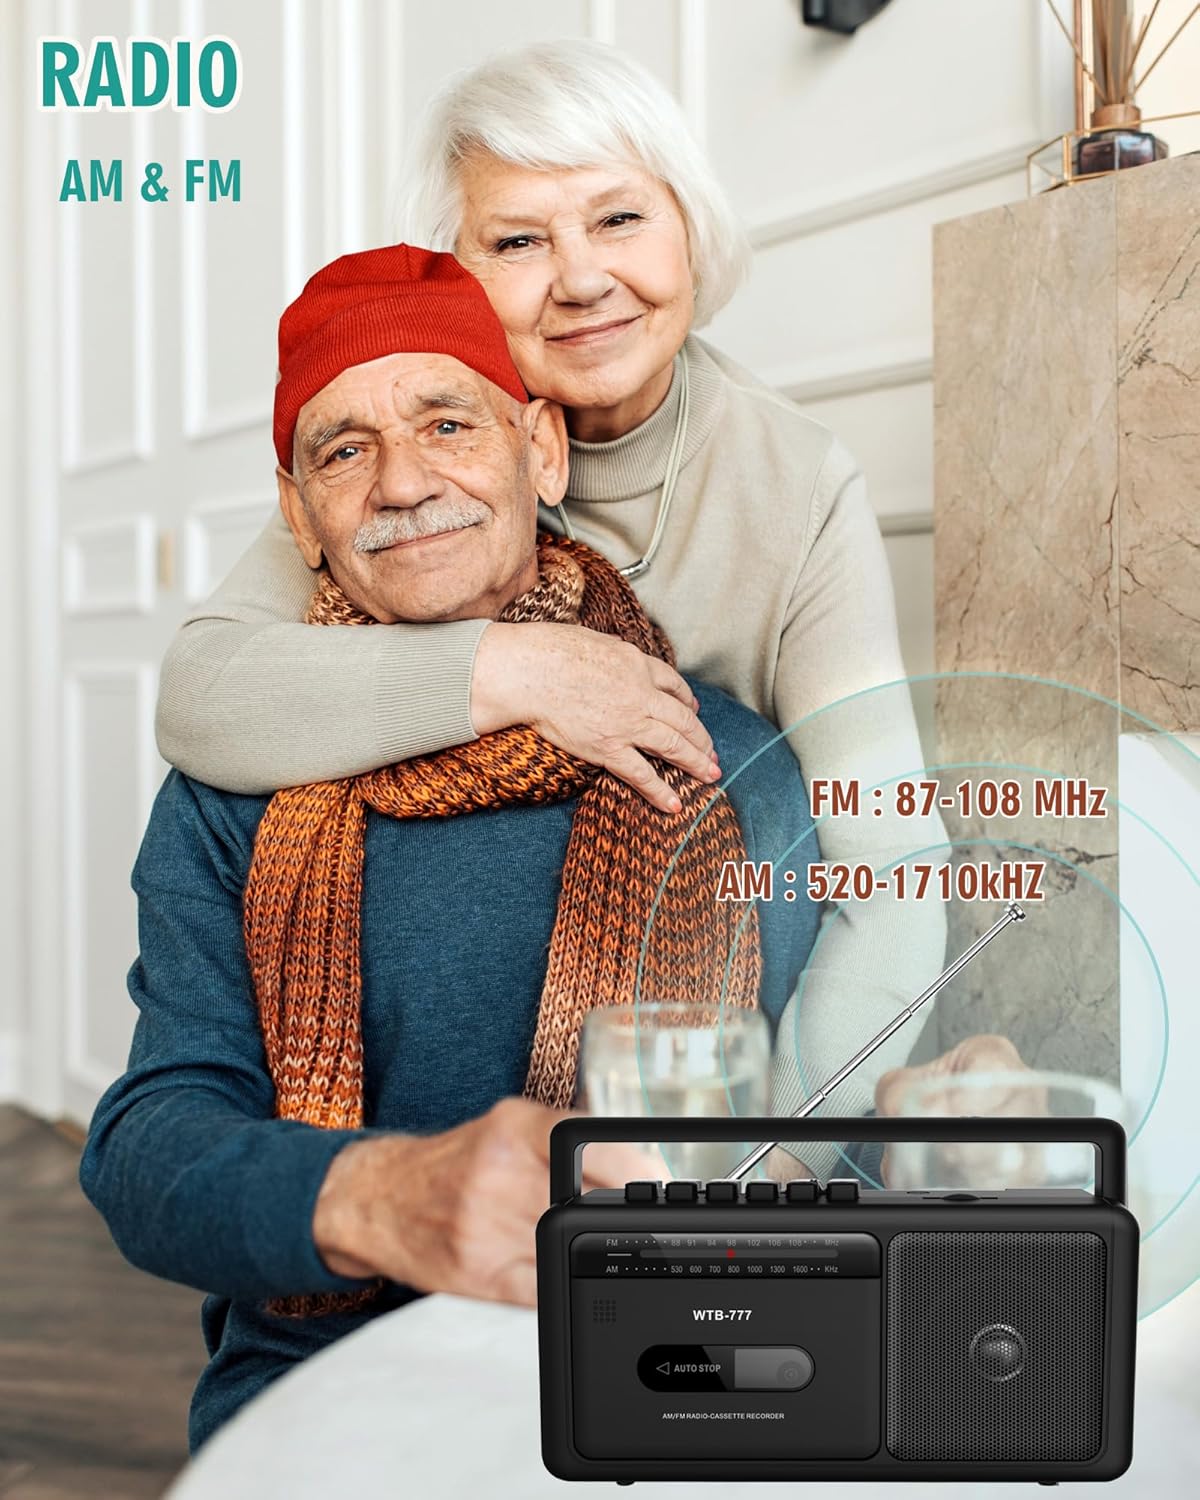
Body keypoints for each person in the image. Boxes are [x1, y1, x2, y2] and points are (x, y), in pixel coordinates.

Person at [154, 39, 947, 1179]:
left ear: (690, 229)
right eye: (519, 240)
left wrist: (771, 1161)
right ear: (455, 275)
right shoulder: (418, 463)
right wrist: (523, 671)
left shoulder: (796, 482)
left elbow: (893, 871)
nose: (579, 279)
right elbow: (204, 694)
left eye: (619, 219)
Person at [80, 245, 823, 1451]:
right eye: (343, 450)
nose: (401, 483)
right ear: (299, 517)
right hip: (328, 1394)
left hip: (676, 1386)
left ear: (540, 450)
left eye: (444, 421)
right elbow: (148, 1150)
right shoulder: (236, 791)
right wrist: (384, 1196)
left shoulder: (724, 766)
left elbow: (815, 1127)